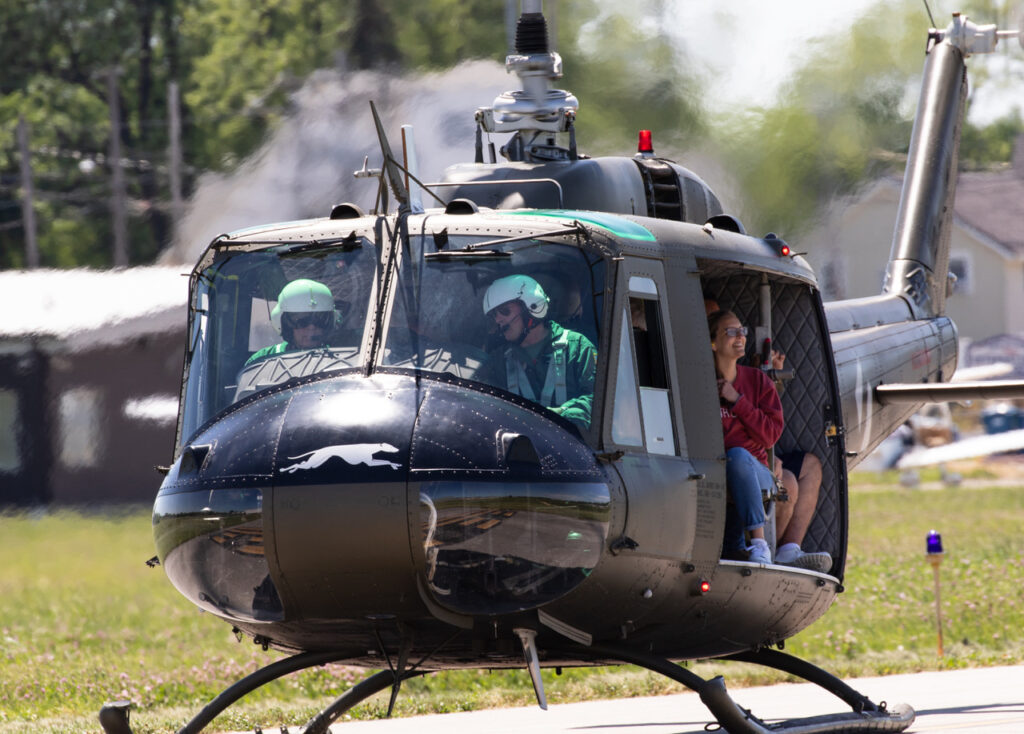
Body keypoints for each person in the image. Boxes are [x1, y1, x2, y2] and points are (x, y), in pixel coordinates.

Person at [474, 274, 596, 430]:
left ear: (532, 308)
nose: (498, 320)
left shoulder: (578, 347)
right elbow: (485, 406)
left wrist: (562, 415)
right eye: (494, 315)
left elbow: (599, 402)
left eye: (504, 311)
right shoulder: (498, 361)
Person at [709, 309, 783, 564]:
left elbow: (770, 436)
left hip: (755, 471)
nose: (739, 336)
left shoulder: (759, 381)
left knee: (738, 456)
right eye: (731, 332)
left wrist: (737, 401)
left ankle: (759, 544)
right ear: (713, 342)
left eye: (742, 331)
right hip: (714, 472)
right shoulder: (700, 383)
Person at [245, 278, 339, 365]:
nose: (311, 327)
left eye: (320, 320)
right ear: (286, 325)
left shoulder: (339, 358)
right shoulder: (262, 360)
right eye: (302, 321)